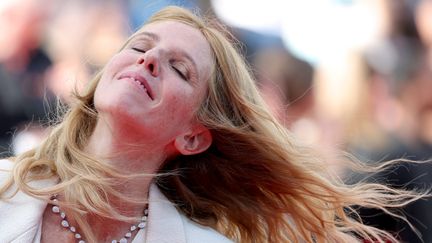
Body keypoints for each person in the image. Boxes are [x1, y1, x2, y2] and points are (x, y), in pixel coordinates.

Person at [0, 6, 424, 243]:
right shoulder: (5, 188)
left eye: (179, 69)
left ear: (192, 136)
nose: (148, 60)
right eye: (140, 46)